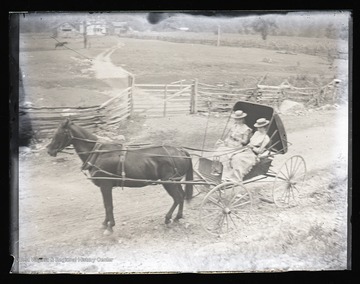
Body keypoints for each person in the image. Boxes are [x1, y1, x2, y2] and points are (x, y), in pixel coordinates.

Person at [211, 110, 252, 176]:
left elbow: (245, 141)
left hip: (237, 146)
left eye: (238, 119)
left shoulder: (246, 129)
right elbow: (229, 136)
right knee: (217, 152)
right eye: (235, 119)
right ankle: (217, 170)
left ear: (242, 119)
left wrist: (237, 138)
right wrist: (224, 141)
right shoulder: (234, 126)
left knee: (226, 156)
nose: (236, 121)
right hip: (229, 144)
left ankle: (226, 174)